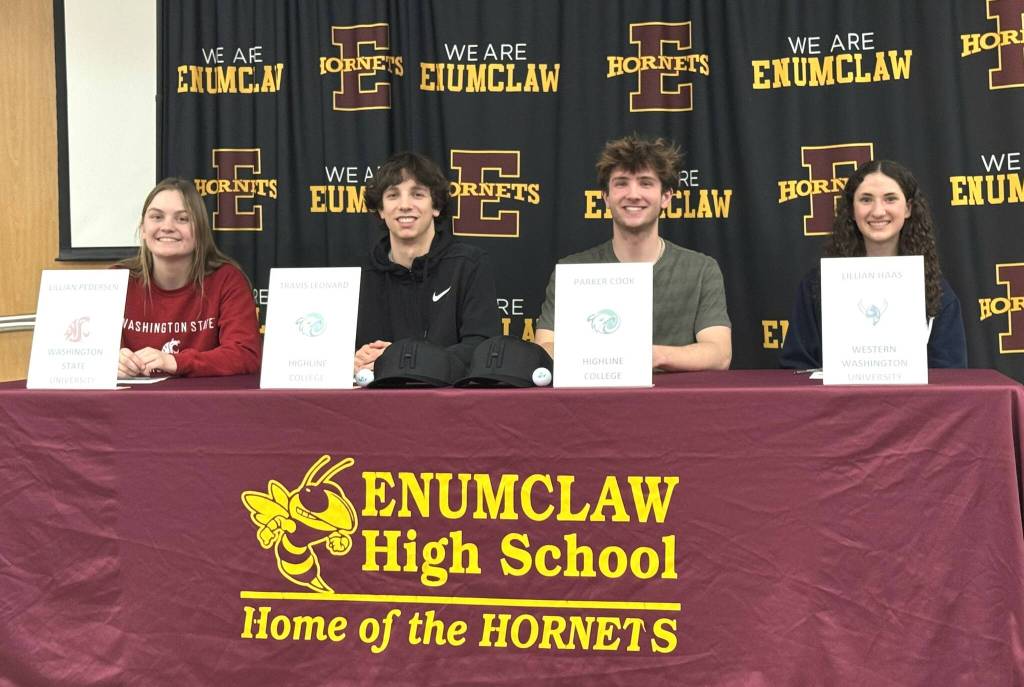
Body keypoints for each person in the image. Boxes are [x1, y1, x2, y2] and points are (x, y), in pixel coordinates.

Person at [534, 135, 732, 371]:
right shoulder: (572, 270)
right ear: (606, 197)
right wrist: (614, 355)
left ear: (666, 197)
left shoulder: (701, 269)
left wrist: (647, 355)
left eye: (646, 183)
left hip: (677, 405)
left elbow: (719, 355)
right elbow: (544, 348)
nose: (633, 194)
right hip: (593, 403)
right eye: (621, 183)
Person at [780, 159, 967, 369]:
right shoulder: (816, 286)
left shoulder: (936, 291)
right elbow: (796, 367)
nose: (878, 211)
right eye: (866, 199)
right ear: (851, 210)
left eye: (890, 199)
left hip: (912, 403)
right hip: (836, 402)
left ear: (908, 209)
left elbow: (951, 377)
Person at [354, 152, 500, 371]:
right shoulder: (359, 274)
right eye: (393, 195)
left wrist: (401, 358)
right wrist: (354, 361)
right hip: (374, 401)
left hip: (446, 400)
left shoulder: (469, 264)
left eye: (417, 194)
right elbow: (328, 353)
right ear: (381, 210)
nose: (404, 205)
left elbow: (481, 347)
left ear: (436, 206)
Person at [117, 178, 261, 378]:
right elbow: (82, 354)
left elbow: (245, 354)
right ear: (143, 229)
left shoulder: (227, 280)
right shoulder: (117, 281)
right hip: (129, 407)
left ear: (200, 230)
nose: (167, 227)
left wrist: (175, 361)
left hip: (205, 407)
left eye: (182, 219)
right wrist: (109, 361)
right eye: (156, 217)